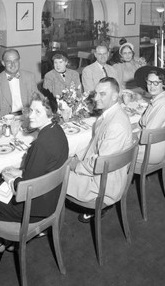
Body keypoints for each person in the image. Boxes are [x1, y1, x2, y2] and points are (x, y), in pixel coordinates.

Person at [0, 90, 68, 253]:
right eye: (31, 110)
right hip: (51, 198)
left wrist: (10, 179)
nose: (31, 116)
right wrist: (20, 171)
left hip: (35, 209)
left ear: (50, 114)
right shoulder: (57, 131)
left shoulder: (41, 144)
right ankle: (4, 241)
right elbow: (42, 170)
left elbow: (24, 189)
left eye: (37, 111)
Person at [67, 77, 133, 222]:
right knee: (65, 159)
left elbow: (99, 165)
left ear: (115, 96)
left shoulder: (116, 125)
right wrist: (76, 157)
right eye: (96, 93)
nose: (96, 98)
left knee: (53, 176)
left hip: (102, 186)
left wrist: (74, 165)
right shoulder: (112, 114)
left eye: (102, 94)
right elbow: (95, 145)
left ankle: (41, 223)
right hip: (105, 176)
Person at [133, 66, 165, 166]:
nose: (152, 86)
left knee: (116, 153)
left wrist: (129, 136)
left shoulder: (162, 106)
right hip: (154, 147)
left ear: (164, 85)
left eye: (156, 83)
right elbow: (143, 123)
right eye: (149, 82)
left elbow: (146, 136)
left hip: (151, 152)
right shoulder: (158, 100)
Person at [0, 48, 38, 116]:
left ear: (20, 60)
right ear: (3, 63)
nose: (13, 64)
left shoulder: (30, 77)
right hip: (7, 119)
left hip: (27, 116)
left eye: (15, 61)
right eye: (9, 62)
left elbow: (37, 99)